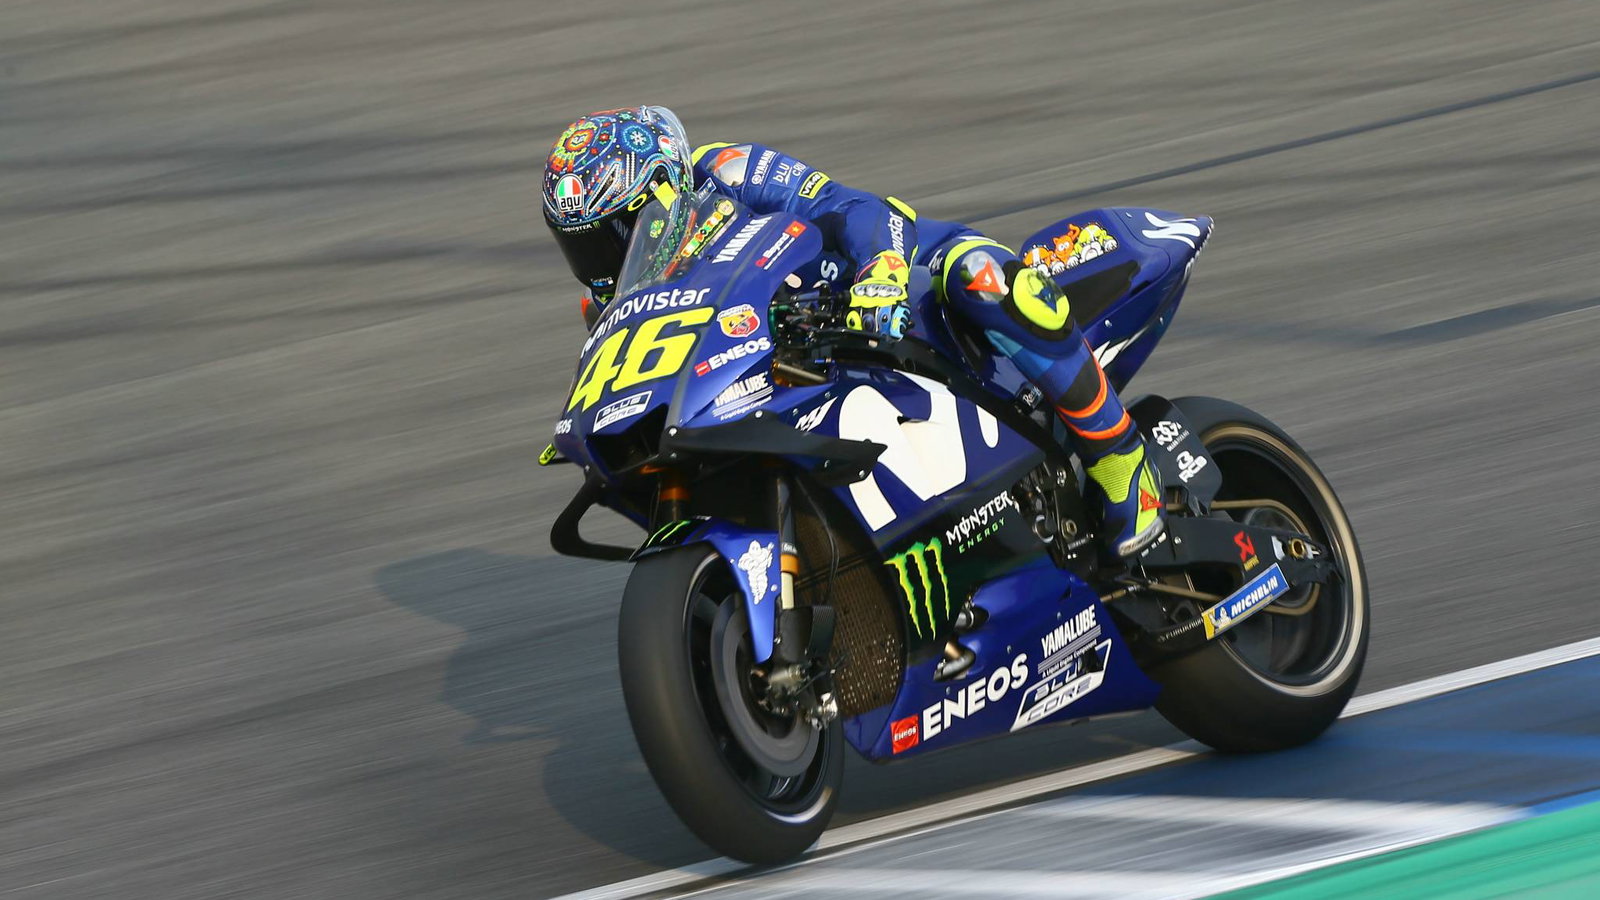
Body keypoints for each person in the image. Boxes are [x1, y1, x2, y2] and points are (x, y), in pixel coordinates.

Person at [541, 106, 1163, 559]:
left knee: (984, 278)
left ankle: (1121, 460)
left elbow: (852, 206)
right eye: (579, 247)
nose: (599, 264)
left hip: (896, 285)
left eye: (608, 238)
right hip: (801, 364)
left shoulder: (726, 170)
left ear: (664, 191)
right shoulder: (616, 303)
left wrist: (881, 270)